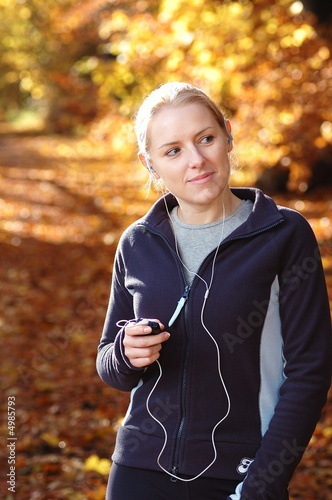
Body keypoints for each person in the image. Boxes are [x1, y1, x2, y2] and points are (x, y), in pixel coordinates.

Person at [96, 82, 332, 500]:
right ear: (150, 163)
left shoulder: (283, 234)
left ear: (227, 135)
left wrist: (262, 482)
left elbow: (310, 372)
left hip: (237, 475)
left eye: (205, 138)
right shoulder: (137, 242)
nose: (197, 160)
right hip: (137, 470)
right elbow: (109, 364)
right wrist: (125, 354)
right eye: (173, 150)